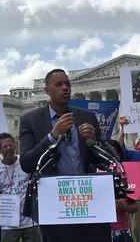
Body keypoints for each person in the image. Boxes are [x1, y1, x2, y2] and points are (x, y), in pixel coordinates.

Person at [19, 69, 111, 242]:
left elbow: (104, 160)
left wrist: (94, 142)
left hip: (89, 201)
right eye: (59, 84)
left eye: (67, 84)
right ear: (47, 91)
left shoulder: (87, 117)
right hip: (55, 205)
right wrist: (52, 136)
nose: (65, 88)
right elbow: (26, 163)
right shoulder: (30, 120)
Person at [0, 132, 40, 242]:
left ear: (14, 145)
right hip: (9, 222)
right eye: (4, 146)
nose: (8, 148)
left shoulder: (25, 161)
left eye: (10, 145)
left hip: (30, 220)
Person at [106, 139, 138, 242]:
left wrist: (125, 207)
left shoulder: (126, 172)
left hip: (121, 230)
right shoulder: (94, 172)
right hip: (101, 229)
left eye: (114, 153)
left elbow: (135, 206)